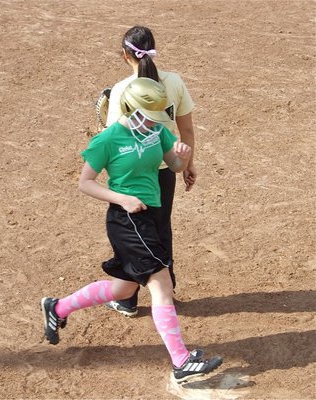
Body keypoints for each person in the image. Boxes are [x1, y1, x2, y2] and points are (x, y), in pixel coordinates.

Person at [41, 77, 222, 382]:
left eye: (155, 119)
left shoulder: (157, 131)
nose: (150, 124)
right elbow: (85, 182)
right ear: (128, 108)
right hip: (126, 220)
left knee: (124, 288)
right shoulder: (108, 140)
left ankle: (57, 308)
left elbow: (175, 165)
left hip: (148, 217)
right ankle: (181, 361)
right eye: (145, 117)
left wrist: (183, 153)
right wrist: (121, 198)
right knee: (161, 281)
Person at [104, 25, 197, 317]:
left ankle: (127, 300)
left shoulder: (122, 90)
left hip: (132, 176)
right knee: (159, 229)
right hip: (165, 170)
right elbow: (186, 129)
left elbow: (115, 141)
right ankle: (165, 290)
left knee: (131, 236)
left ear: (124, 54)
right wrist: (187, 165)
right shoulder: (174, 82)